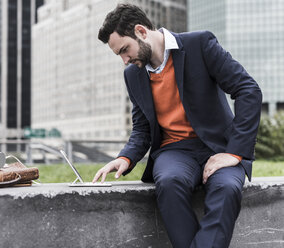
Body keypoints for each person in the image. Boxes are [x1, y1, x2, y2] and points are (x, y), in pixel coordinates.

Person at [92, 4, 262, 248]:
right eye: (119, 54)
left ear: (141, 31)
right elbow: (142, 127)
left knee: (226, 189)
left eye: (124, 50)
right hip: (175, 151)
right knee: (170, 183)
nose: (125, 60)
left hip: (219, 147)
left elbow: (248, 90)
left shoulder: (200, 44)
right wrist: (126, 158)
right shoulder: (133, 75)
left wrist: (235, 152)